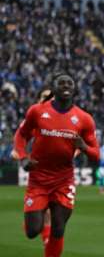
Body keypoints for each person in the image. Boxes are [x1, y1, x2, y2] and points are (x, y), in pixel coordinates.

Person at [13, 73, 100, 257]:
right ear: (54, 87)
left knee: (58, 228)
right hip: (38, 179)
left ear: (75, 88)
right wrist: (23, 157)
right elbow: (21, 135)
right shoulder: (37, 111)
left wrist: (83, 146)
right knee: (32, 231)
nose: (66, 85)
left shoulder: (84, 119)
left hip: (64, 180)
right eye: (61, 83)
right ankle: (36, 220)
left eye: (70, 82)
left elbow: (96, 155)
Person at [11, 88, 54, 247]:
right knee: (44, 213)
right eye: (44, 96)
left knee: (51, 210)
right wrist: (19, 153)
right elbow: (21, 135)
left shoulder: (63, 116)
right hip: (39, 171)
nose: (48, 99)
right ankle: (37, 228)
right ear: (38, 99)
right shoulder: (35, 116)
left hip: (58, 172)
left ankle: (48, 242)